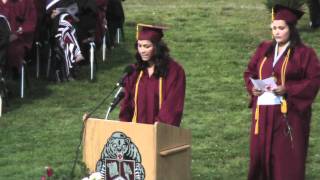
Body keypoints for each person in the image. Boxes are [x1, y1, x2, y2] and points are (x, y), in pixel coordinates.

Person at [244, 4, 320, 180]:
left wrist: (288, 89)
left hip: (288, 116)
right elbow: (250, 72)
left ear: (291, 29)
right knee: (259, 157)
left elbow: (314, 81)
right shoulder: (264, 49)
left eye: (281, 28)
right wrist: (252, 87)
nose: (276, 32)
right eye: (274, 28)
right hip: (262, 114)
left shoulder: (304, 54)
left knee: (285, 162)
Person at [119, 24, 186, 127]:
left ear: (157, 47)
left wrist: (156, 131)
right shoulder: (135, 71)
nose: (142, 51)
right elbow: (127, 104)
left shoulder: (174, 71)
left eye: (147, 46)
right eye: (139, 46)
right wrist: (124, 127)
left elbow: (172, 107)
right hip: (136, 135)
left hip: (161, 135)